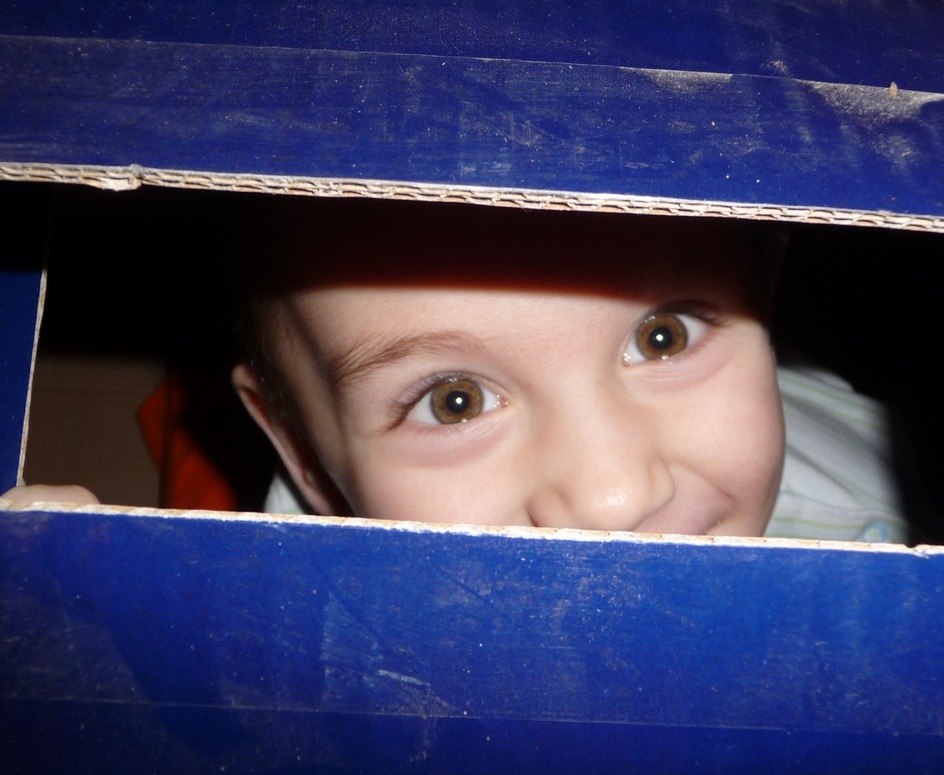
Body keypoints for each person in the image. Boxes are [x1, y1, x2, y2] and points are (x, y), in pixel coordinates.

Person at [227, 196, 908, 541]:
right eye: (455, 401)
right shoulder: (277, 652)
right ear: (304, 455)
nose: (615, 499)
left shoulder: (883, 527)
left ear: (764, 301)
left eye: (663, 337)